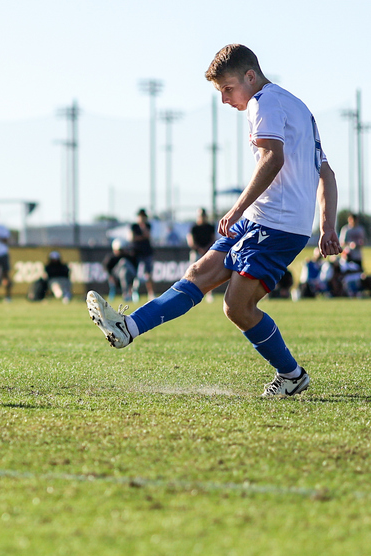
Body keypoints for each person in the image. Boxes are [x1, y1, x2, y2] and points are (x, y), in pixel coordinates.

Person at [86, 43, 340, 398]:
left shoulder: (262, 102)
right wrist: (327, 226)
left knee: (237, 307)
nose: (224, 100)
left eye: (227, 89)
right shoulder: (298, 107)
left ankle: (292, 374)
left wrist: (236, 209)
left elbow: (273, 158)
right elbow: (325, 173)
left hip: (276, 224)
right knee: (197, 275)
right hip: (265, 219)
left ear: (250, 76)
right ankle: (128, 327)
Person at [187, 208, 217, 303]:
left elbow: (213, 239)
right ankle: (190, 293)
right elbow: (191, 241)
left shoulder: (210, 227)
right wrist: (199, 249)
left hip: (207, 252)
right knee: (193, 273)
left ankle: (209, 294)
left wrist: (206, 249)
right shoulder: (194, 227)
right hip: (196, 252)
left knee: (209, 273)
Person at [129, 208, 155, 301]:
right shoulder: (134, 226)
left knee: (148, 273)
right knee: (135, 274)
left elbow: (147, 235)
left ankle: (151, 293)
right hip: (136, 252)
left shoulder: (147, 225)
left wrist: (143, 230)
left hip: (147, 252)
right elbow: (132, 238)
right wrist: (141, 237)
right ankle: (133, 292)